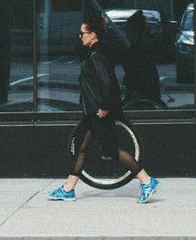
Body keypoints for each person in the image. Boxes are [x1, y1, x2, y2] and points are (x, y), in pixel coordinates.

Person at [49, 13, 159, 203]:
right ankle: (68, 188)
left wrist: (104, 107)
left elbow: (108, 84)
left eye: (83, 33)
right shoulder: (92, 52)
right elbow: (80, 53)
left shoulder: (97, 55)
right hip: (92, 111)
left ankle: (146, 180)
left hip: (100, 111)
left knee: (111, 150)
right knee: (81, 147)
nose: (80, 36)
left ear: (93, 35)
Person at [121, 10, 166, 109]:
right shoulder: (142, 48)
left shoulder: (138, 50)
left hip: (140, 94)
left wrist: (137, 91)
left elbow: (140, 72)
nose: (126, 32)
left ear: (134, 30)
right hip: (146, 92)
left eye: (128, 29)